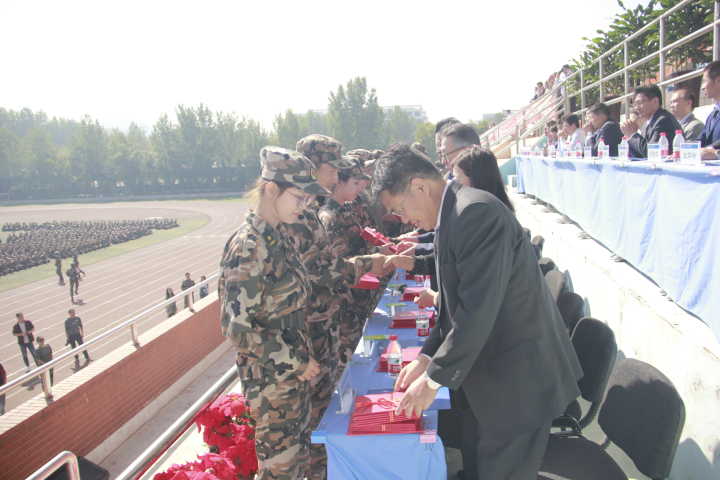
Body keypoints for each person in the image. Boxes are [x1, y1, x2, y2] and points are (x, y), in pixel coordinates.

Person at [375, 144, 582, 479]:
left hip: (518, 382)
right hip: (492, 375)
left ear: (419, 187)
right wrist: (426, 357)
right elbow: (454, 304)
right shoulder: (453, 214)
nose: (403, 220)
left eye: (400, 208)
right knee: (478, 462)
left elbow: (476, 310)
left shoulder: (474, 213)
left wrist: (432, 380)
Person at [283, 135, 391, 479]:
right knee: (312, 416)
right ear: (315, 167)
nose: (336, 177)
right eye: (333, 169)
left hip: (325, 322)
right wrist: (371, 262)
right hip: (311, 328)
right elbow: (319, 272)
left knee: (325, 407)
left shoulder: (311, 209)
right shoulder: (303, 214)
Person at [219, 146, 327, 479]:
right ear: (270, 189)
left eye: (307, 199)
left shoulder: (278, 238)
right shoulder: (250, 246)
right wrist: (295, 361)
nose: (304, 205)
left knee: (296, 465)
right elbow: (237, 328)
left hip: (290, 379)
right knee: (281, 470)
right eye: (298, 197)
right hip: (272, 383)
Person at [621, 85, 682, 158]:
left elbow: (653, 153)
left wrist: (632, 134)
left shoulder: (663, 121)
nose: (636, 107)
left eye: (640, 103)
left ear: (655, 101)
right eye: (635, 104)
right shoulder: (651, 121)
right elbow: (640, 154)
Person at [699, 60, 720, 159]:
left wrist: (714, 152)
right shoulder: (712, 114)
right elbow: (701, 140)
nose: (702, 87)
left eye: (704, 81)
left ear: (718, 81)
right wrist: (684, 150)